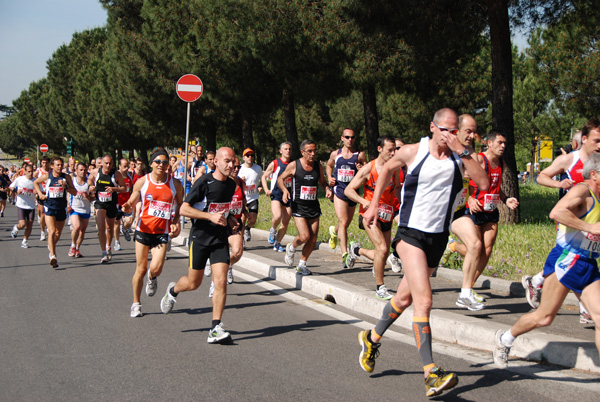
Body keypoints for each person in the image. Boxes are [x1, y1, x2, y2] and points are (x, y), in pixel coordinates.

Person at [357, 108, 489, 397]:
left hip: (437, 238)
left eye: (455, 131)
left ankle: (371, 337)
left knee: (404, 297)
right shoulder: (414, 152)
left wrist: (462, 151)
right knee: (424, 300)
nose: (450, 136)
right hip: (410, 234)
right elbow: (386, 169)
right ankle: (430, 372)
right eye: (445, 130)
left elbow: (483, 183)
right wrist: (373, 204)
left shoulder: (460, 157)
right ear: (432, 127)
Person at [493, 153, 600, 369]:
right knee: (544, 317)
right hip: (568, 260)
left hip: (588, 263)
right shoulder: (582, 191)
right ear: (594, 174)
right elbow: (556, 212)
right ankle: (505, 339)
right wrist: (589, 228)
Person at [522, 118, 600, 324]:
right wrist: (558, 185)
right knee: (570, 255)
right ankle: (584, 307)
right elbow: (541, 177)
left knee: (582, 256)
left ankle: (538, 281)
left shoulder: (598, 162)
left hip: (591, 214)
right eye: (597, 140)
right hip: (569, 218)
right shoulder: (570, 159)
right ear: (584, 139)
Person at [160, 147, 238, 344]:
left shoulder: (231, 184)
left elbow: (223, 209)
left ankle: (215, 327)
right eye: (227, 161)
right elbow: (184, 208)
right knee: (194, 283)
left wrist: (230, 220)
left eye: (233, 161)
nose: (231, 165)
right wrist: (209, 216)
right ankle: (173, 290)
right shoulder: (204, 182)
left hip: (219, 239)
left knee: (220, 282)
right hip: (201, 238)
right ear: (217, 162)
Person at [450, 131, 519, 310]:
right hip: (474, 209)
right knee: (477, 248)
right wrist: (471, 199)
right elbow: (464, 181)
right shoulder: (479, 160)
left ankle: (468, 288)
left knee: (486, 250)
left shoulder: (501, 163)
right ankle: (453, 247)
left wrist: (506, 199)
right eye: (500, 142)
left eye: (505, 143)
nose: (503, 146)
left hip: (491, 210)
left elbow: (496, 188)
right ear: (489, 144)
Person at [124, 149, 183, 318]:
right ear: (151, 164)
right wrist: (128, 207)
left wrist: (175, 221)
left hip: (161, 232)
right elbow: (132, 200)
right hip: (143, 230)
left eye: (165, 162)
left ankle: (152, 277)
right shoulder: (143, 182)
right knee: (140, 269)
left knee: (156, 268)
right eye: (157, 161)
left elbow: (180, 205)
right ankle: (136, 303)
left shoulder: (175, 184)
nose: (161, 165)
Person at [344, 136, 400, 299]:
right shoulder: (369, 168)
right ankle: (380, 287)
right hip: (369, 215)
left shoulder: (394, 169)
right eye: (390, 149)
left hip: (387, 214)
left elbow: (396, 188)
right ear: (379, 149)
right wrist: (364, 202)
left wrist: (399, 204)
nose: (393, 153)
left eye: (395, 149)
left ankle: (357, 250)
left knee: (382, 252)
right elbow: (349, 190)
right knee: (382, 249)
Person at [278, 140, 332, 275]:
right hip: (298, 206)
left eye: (314, 151)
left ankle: (302, 264)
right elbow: (280, 179)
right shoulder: (294, 165)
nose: (313, 154)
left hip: (313, 206)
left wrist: (327, 189)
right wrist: (285, 191)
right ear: (303, 152)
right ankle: (292, 247)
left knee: (313, 238)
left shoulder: (317, 166)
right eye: (310, 151)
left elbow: (322, 182)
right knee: (304, 236)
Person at [326, 129, 367, 267]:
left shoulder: (359, 155)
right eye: (347, 137)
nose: (350, 139)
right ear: (342, 138)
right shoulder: (335, 154)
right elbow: (328, 165)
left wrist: (361, 168)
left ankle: (334, 231)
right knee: (343, 221)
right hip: (339, 190)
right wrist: (330, 178)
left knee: (345, 223)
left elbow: (367, 171)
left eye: (352, 137)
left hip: (353, 193)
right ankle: (345, 254)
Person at [208, 156, 247, 296]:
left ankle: (228, 266)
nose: (236, 169)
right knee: (221, 256)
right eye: (234, 166)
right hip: (220, 223)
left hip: (235, 222)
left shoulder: (241, 183)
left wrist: (244, 213)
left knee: (237, 252)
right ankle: (215, 282)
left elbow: (243, 201)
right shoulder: (222, 183)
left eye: (238, 167)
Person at [34, 157, 77, 268]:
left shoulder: (66, 177)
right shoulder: (47, 176)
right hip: (49, 206)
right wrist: (40, 194)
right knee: (52, 231)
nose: (60, 167)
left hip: (61, 207)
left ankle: (51, 247)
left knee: (58, 233)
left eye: (61, 165)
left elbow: (75, 192)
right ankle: (53, 256)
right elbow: (35, 183)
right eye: (57, 165)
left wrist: (65, 187)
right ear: (52, 166)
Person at [88, 155, 126, 263]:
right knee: (101, 228)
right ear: (102, 164)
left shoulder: (116, 174)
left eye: (110, 163)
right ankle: (103, 252)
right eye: (106, 163)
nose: (108, 166)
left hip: (112, 203)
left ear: (112, 164)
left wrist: (114, 189)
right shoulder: (96, 172)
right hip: (99, 203)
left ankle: (109, 246)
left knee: (109, 228)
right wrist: (91, 186)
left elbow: (124, 188)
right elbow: (89, 180)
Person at [261, 142, 293, 252]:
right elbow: (264, 176)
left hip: (289, 195)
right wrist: (266, 190)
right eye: (285, 149)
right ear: (281, 151)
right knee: (277, 216)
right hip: (276, 194)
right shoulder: (275, 163)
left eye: (289, 149)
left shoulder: (293, 164)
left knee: (285, 222)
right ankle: (273, 229)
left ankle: (277, 244)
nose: (288, 151)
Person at [67, 162, 92, 258]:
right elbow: (68, 194)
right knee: (76, 227)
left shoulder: (89, 182)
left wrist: (88, 196)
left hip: (85, 209)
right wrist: (68, 204)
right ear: (76, 171)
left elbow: (92, 198)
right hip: (74, 208)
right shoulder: (72, 181)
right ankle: (73, 245)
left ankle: (77, 249)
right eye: (81, 170)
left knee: (82, 232)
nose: (83, 172)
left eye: (85, 170)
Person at [238, 148, 263, 244]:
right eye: (248, 155)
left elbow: (261, 180)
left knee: (253, 219)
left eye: (252, 155)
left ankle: (248, 229)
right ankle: (241, 239)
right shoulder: (239, 169)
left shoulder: (258, 168)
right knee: (243, 219)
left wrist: (260, 187)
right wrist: (241, 180)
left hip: (253, 197)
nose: (250, 157)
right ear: (244, 157)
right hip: (243, 197)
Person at [9, 164, 36, 247]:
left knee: (30, 223)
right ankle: (16, 228)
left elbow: (41, 190)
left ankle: (25, 240)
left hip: (31, 206)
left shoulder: (35, 181)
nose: (30, 173)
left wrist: (37, 192)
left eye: (32, 172)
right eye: (28, 171)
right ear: (25, 171)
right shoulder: (20, 179)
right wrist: (17, 190)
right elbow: (10, 187)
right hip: (21, 205)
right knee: (22, 224)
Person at [114, 158, 134, 249]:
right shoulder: (116, 176)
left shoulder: (130, 175)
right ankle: (117, 242)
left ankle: (125, 229)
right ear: (120, 166)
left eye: (127, 166)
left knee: (129, 220)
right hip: (117, 203)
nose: (126, 168)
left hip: (126, 203)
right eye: (124, 166)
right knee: (116, 223)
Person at [34, 156, 50, 240]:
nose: (45, 164)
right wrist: (36, 190)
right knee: (42, 213)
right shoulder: (38, 171)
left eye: (46, 163)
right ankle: (42, 232)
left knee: (50, 213)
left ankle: (48, 226)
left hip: (50, 194)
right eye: (43, 163)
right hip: (41, 193)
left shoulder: (51, 171)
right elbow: (33, 180)